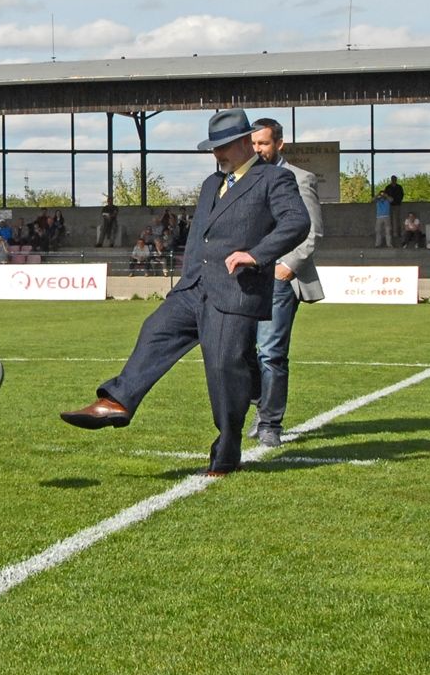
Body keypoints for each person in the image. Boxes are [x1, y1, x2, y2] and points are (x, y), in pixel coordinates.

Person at [60, 108, 310, 476]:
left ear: (245, 142)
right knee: (154, 330)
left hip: (235, 292)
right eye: (213, 148)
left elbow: (297, 222)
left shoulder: (275, 179)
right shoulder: (212, 183)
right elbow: (200, 237)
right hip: (194, 287)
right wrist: (186, 278)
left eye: (223, 146)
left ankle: (227, 450)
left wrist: (256, 255)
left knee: (224, 370)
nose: (217, 154)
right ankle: (117, 401)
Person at [247, 117, 326, 448]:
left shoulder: (300, 179)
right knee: (237, 350)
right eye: (252, 144)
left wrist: (288, 266)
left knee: (270, 352)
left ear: (279, 144)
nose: (257, 150)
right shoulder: (243, 179)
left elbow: (312, 230)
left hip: (280, 278)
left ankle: (270, 423)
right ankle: (260, 400)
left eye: (263, 143)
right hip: (248, 277)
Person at [385, 175, 404, 241]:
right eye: (392, 179)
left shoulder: (399, 187)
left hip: (397, 205)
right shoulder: (388, 187)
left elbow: (402, 195)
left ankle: (397, 233)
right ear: (391, 179)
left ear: (396, 180)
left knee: (397, 219)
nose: (393, 180)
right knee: (390, 220)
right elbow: (385, 195)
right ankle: (391, 233)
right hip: (389, 205)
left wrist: (398, 201)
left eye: (394, 179)